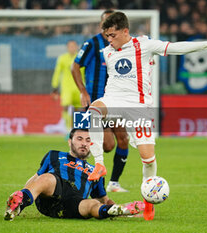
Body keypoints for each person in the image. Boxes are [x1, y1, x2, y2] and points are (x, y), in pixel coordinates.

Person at [86, 11, 207, 220]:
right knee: (93, 111)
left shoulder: (145, 45)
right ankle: (99, 163)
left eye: (113, 35)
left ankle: (148, 202)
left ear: (125, 31)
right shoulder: (107, 52)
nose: (109, 40)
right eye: (107, 36)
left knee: (148, 159)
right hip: (114, 99)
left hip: (139, 106)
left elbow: (176, 48)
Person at [4, 128, 144, 221]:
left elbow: (104, 199)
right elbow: (37, 178)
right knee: (47, 178)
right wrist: (23, 192)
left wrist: (114, 205)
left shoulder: (96, 170)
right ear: (70, 141)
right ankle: (19, 204)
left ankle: (120, 210)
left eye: (88, 140)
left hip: (72, 204)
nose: (84, 143)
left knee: (92, 204)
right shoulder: (54, 155)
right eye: (79, 139)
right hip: (51, 193)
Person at [72, 10, 130, 193]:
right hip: (96, 102)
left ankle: (114, 183)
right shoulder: (92, 43)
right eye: (106, 22)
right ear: (101, 25)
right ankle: (80, 177)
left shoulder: (125, 45)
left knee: (123, 139)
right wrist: (83, 91)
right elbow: (74, 67)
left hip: (117, 100)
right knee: (106, 145)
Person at [51, 40, 84, 132]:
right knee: (66, 106)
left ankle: (78, 129)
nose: (72, 48)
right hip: (66, 87)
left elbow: (85, 72)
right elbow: (57, 72)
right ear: (67, 48)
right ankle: (67, 129)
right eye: (70, 46)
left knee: (79, 108)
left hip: (79, 87)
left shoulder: (81, 57)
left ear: (77, 47)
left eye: (74, 46)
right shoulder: (62, 58)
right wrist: (54, 86)